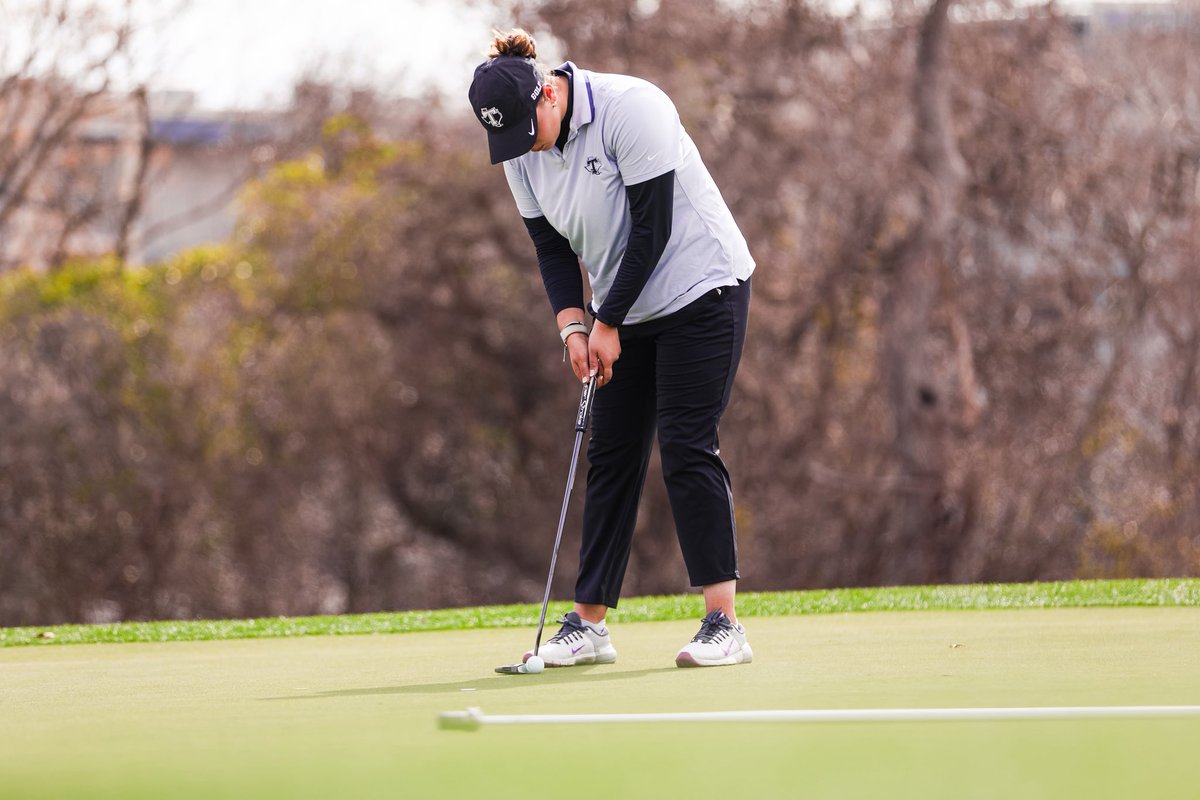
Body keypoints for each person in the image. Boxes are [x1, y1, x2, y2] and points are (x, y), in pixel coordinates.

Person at [468, 28, 755, 668]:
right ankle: (590, 624)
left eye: (525, 129)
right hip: (621, 310)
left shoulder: (633, 107)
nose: (523, 148)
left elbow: (652, 232)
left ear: (548, 95)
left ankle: (723, 623)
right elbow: (550, 247)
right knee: (613, 454)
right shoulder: (521, 150)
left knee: (685, 443)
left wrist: (605, 320)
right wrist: (574, 325)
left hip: (701, 287)